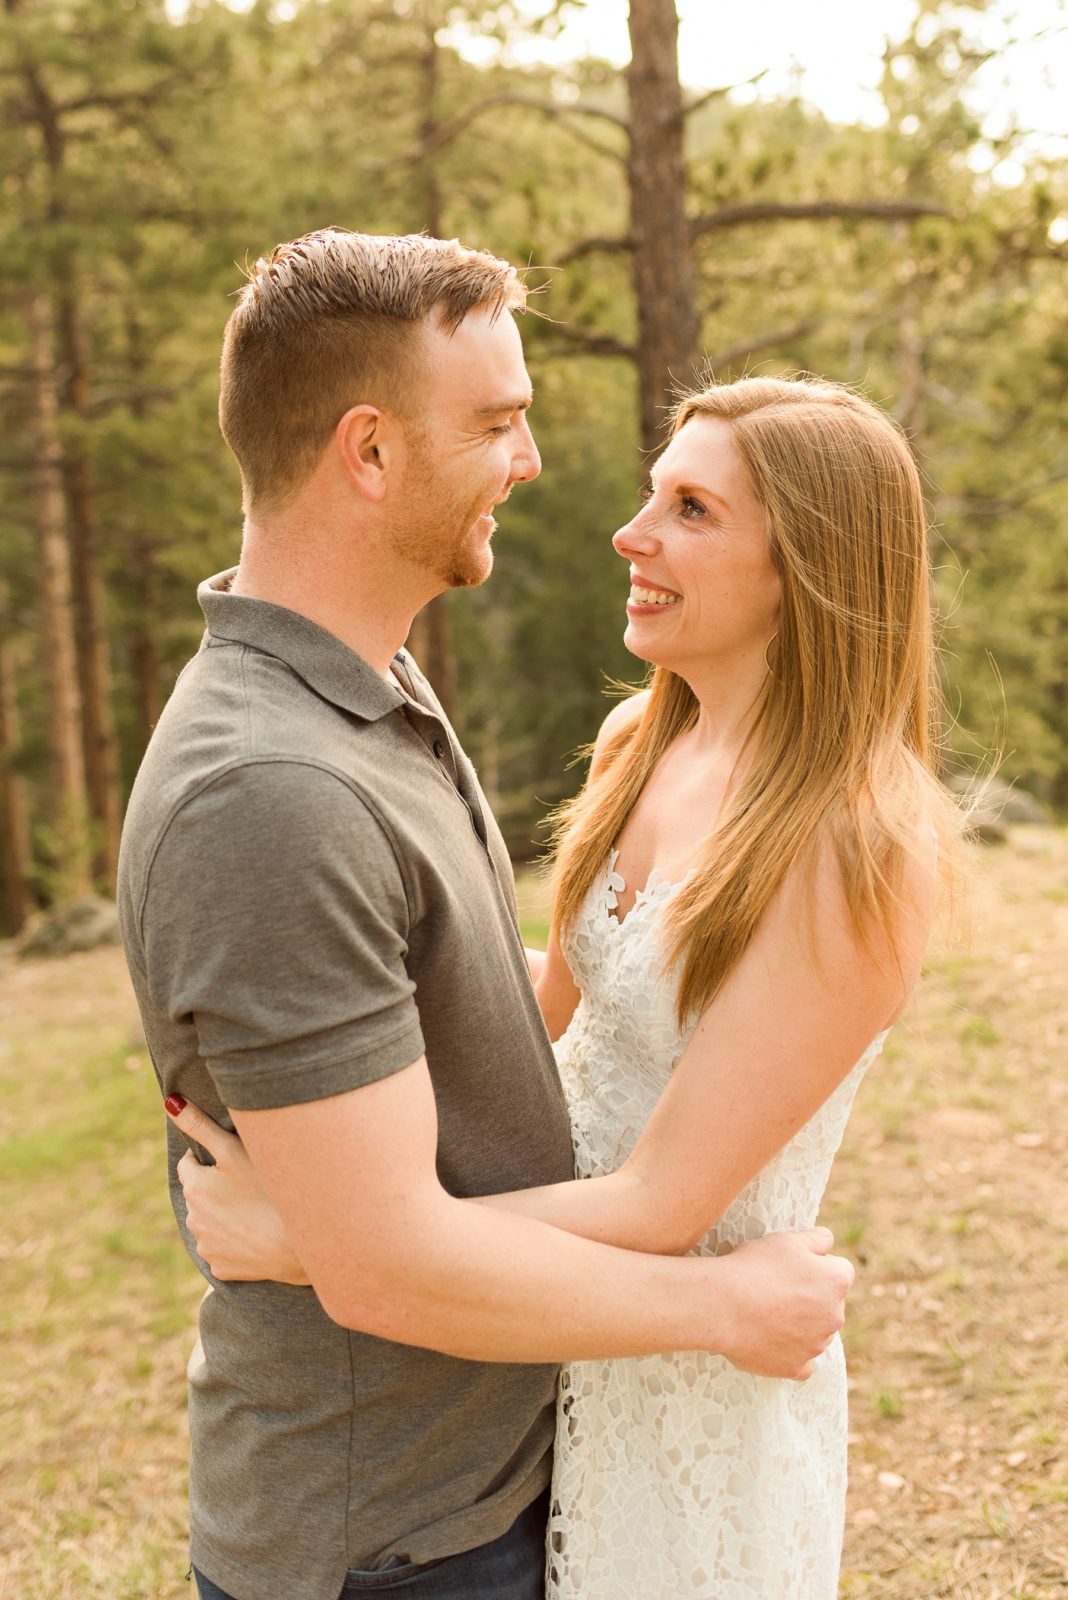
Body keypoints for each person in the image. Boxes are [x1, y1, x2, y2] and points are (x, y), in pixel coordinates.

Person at [117, 230, 854, 1600]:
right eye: (499, 423)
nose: (530, 462)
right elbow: (392, 1274)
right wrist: (723, 1307)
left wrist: (324, 1230)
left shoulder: (368, 683)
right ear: (371, 452)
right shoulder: (270, 785)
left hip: (490, 1472)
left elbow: (450, 992)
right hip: (390, 1542)